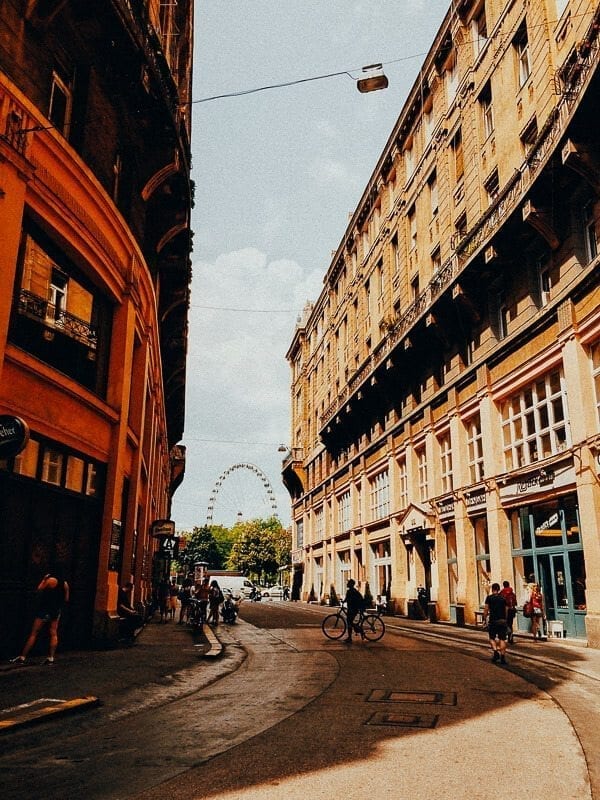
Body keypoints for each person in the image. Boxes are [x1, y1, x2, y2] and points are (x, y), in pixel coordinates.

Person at [10, 572, 69, 665]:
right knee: (54, 633)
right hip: (56, 610)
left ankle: (22, 657)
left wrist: (44, 580)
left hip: (45, 609)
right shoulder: (65, 583)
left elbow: (39, 589)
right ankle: (51, 658)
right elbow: (66, 599)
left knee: (34, 633)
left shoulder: (50, 580)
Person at [483, 582, 508, 664]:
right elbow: (506, 609)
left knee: (492, 638)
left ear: (492, 589)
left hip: (493, 621)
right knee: (502, 639)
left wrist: (484, 618)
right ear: (499, 589)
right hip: (502, 621)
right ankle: (503, 657)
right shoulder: (503, 598)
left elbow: (486, 609)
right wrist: (505, 618)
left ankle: (495, 652)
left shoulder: (489, 598)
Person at [344, 578, 364, 643]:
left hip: (352, 609)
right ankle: (356, 630)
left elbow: (348, 599)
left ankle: (351, 637)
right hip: (353, 608)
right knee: (349, 622)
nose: (347, 584)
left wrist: (343, 601)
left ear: (350, 584)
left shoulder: (351, 591)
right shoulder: (354, 591)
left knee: (349, 622)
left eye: (348, 583)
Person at [500, 580, 517, 644]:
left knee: (504, 623)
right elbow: (515, 602)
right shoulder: (512, 593)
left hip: (504, 611)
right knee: (510, 624)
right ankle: (511, 638)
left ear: (503, 585)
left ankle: (505, 636)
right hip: (511, 610)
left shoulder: (501, 593)